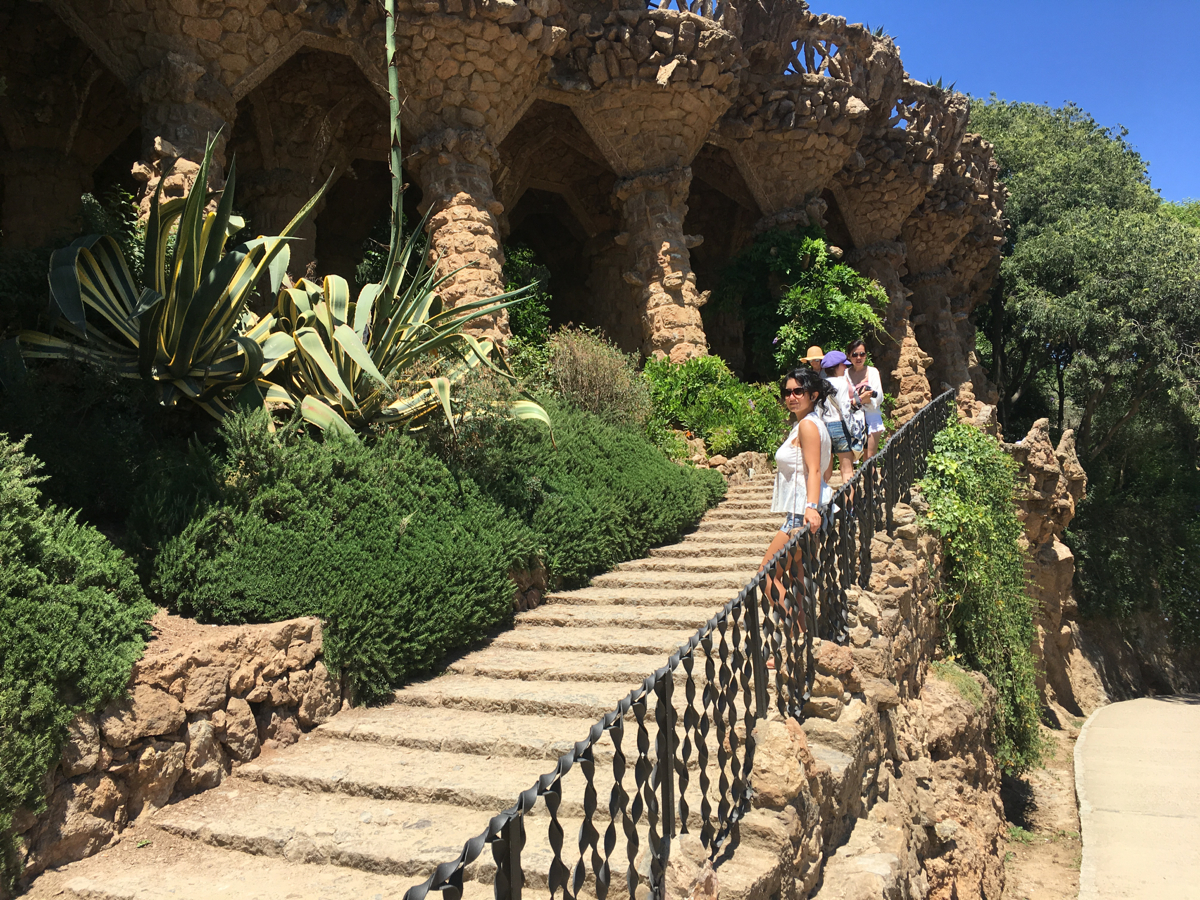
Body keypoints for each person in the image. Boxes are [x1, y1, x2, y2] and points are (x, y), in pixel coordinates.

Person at [757, 368, 833, 633]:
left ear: (812, 395)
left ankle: (792, 631)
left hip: (802, 514)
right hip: (804, 509)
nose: (791, 397)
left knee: (766, 574)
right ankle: (800, 633)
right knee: (796, 575)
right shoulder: (812, 424)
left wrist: (811, 508)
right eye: (787, 392)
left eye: (798, 391)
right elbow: (827, 470)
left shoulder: (808, 425)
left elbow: (815, 470)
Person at [818, 349, 858, 487]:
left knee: (825, 472)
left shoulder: (820, 384)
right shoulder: (842, 383)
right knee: (847, 470)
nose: (846, 367)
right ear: (837, 367)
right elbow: (845, 409)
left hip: (823, 428)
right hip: (839, 426)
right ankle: (850, 507)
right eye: (843, 365)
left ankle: (818, 503)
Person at [845, 339, 885, 459]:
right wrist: (863, 398)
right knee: (851, 457)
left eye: (862, 354)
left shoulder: (872, 372)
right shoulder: (845, 373)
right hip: (852, 420)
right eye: (855, 354)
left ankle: (870, 478)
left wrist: (860, 400)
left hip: (871, 418)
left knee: (869, 457)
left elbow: (878, 397)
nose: (859, 358)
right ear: (849, 356)